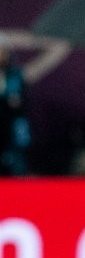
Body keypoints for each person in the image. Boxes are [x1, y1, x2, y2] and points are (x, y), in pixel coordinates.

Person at [0, 37, 31, 176]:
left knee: (16, 163)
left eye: (3, 52)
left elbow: (22, 99)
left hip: (13, 125)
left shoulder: (15, 75)